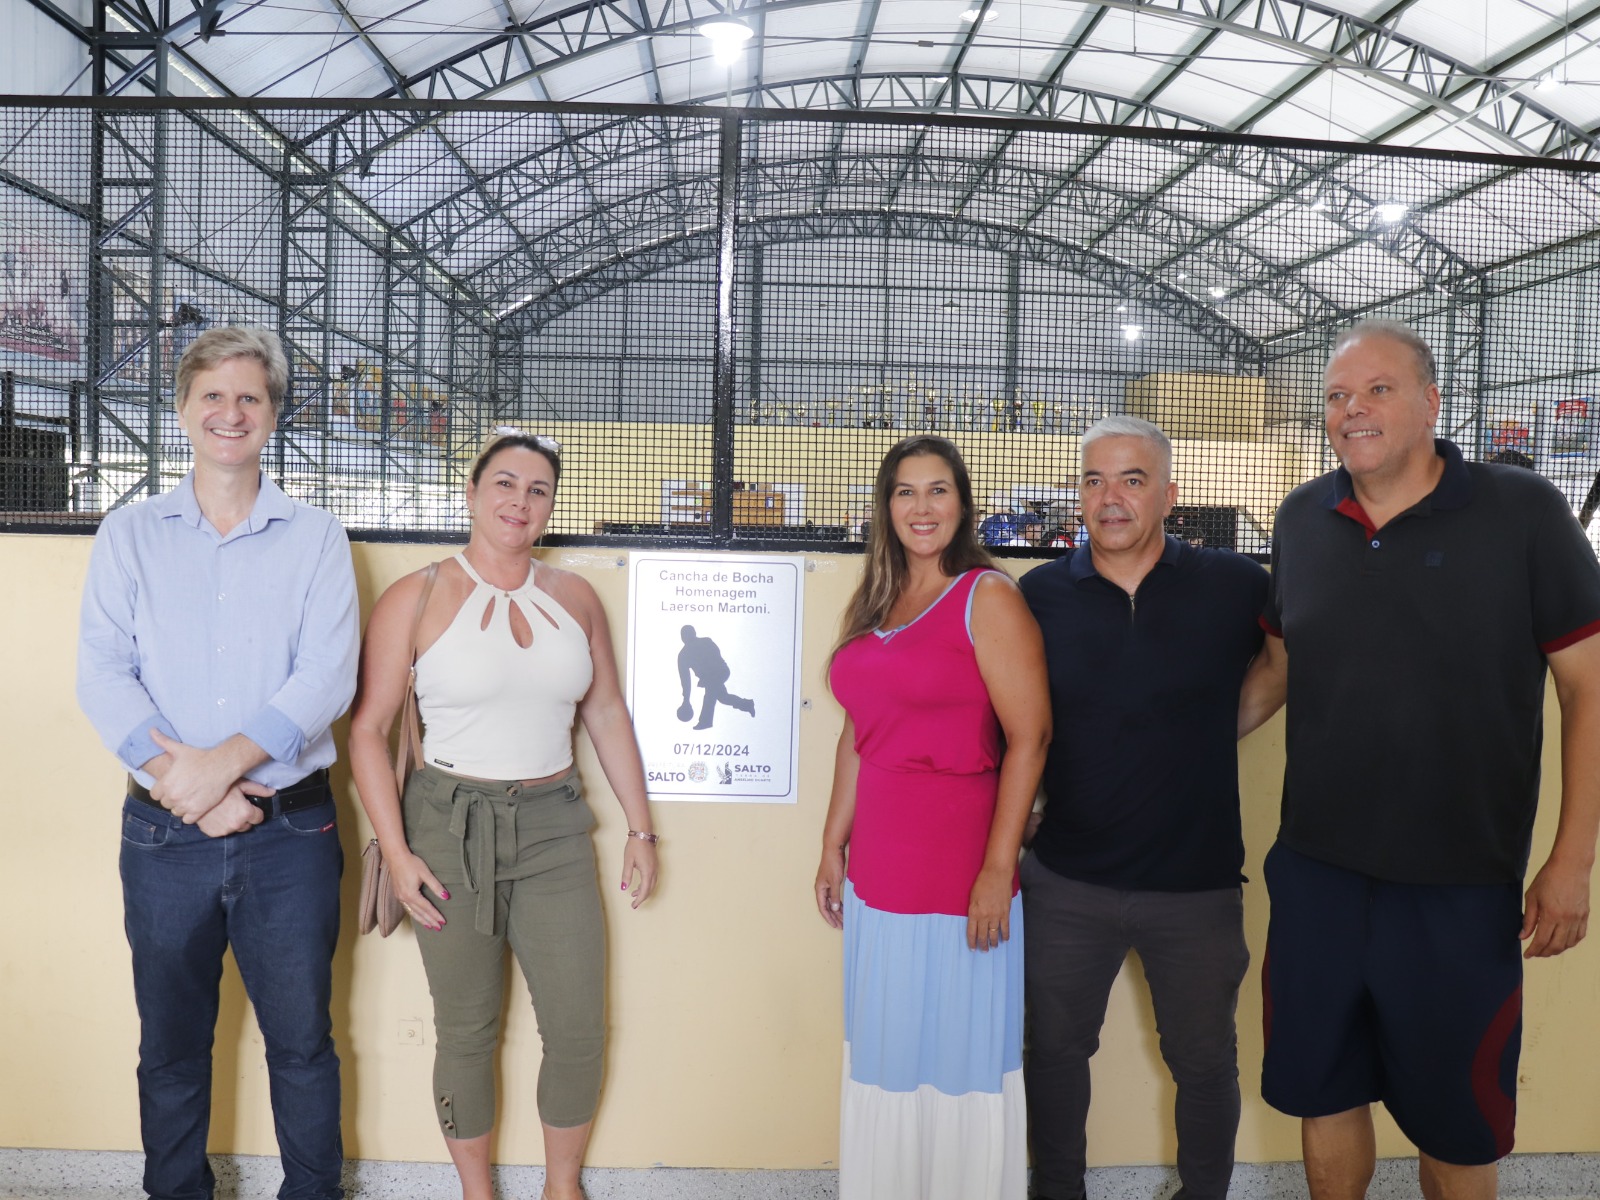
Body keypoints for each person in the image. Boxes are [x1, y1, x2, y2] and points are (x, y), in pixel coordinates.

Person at [1239, 319, 1600, 1200]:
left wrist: (1570, 860)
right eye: (1336, 396)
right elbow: (1280, 668)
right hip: (1318, 874)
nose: (1351, 410)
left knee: (1457, 1122)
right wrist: (1164, 746)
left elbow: (1588, 688)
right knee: (1322, 1095)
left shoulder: (1522, 511)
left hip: (1458, 886)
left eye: (1377, 390)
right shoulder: (1302, 517)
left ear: (1433, 403)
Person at [76, 326, 358, 1200]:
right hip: (163, 837)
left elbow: (328, 676)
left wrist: (219, 774)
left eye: (250, 397)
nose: (230, 413)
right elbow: (102, 673)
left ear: (273, 414)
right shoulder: (130, 535)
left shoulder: (316, 538)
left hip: (291, 833)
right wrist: (191, 794)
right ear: (184, 409)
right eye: (213, 396)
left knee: (302, 1042)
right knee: (169, 1045)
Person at [347, 430, 657, 1200]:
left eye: (538, 489)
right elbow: (365, 731)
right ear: (473, 492)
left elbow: (609, 714)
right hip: (447, 830)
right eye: (506, 484)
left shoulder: (577, 598)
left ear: (551, 506)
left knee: (579, 1028)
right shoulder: (413, 597)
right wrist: (398, 849)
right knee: (467, 1031)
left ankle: (562, 1188)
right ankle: (476, 1192)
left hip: (555, 825)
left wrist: (642, 828)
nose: (520, 501)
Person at [1018, 416, 1267, 1200]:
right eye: (1093, 480)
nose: (1109, 498)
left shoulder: (1234, 585)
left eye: (1131, 480)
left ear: (1170, 494)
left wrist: (1211, 726)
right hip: (1067, 882)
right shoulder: (1040, 595)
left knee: (1204, 1064)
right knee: (1053, 1055)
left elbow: (1285, 662)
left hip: (1195, 887)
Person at [813, 435, 1051, 1200]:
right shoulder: (876, 599)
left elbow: (1031, 737)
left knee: (958, 1063)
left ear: (963, 502)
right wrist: (830, 846)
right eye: (906, 492)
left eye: (938, 490)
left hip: (959, 876)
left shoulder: (989, 598)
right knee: (885, 1056)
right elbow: (859, 727)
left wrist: (994, 871)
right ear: (887, 507)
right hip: (878, 878)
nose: (922, 507)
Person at [676, 624, 755, 729]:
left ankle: (705, 721)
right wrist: (686, 699)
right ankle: (746, 704)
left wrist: (709, 674)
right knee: (723, 698)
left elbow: (716, 656)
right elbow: (685, 680)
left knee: (710, 694)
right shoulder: (683, 655)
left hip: (720, 672)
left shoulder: (705, 642)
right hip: (711, 677)